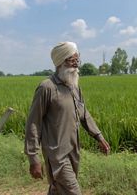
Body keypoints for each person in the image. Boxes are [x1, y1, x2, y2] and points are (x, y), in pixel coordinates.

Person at [24, 41, 110, 195]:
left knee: (57, 190)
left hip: (73, 151)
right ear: (60, 62)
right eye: (72, 60)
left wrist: (99, 136)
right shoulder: (47, 87)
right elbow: (33, 123)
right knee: (73, 191)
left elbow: (84, 114)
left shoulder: (74, 86)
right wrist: (33, 158)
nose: (76, 65)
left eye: (78, 60)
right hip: (56, 154)